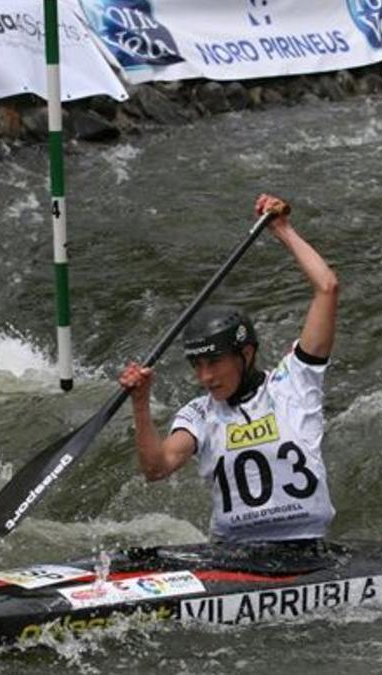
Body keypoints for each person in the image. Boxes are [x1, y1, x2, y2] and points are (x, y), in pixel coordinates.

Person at [118, 194, 339, 543]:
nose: (205, 377)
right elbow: (156, 468)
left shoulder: (294, 381)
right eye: (198, 365)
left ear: (246, 353)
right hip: (234, 558)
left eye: (214, 363)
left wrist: (282, 230)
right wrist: (141, 403)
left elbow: (326, 288)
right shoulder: (199, 414)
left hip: (306, 546)